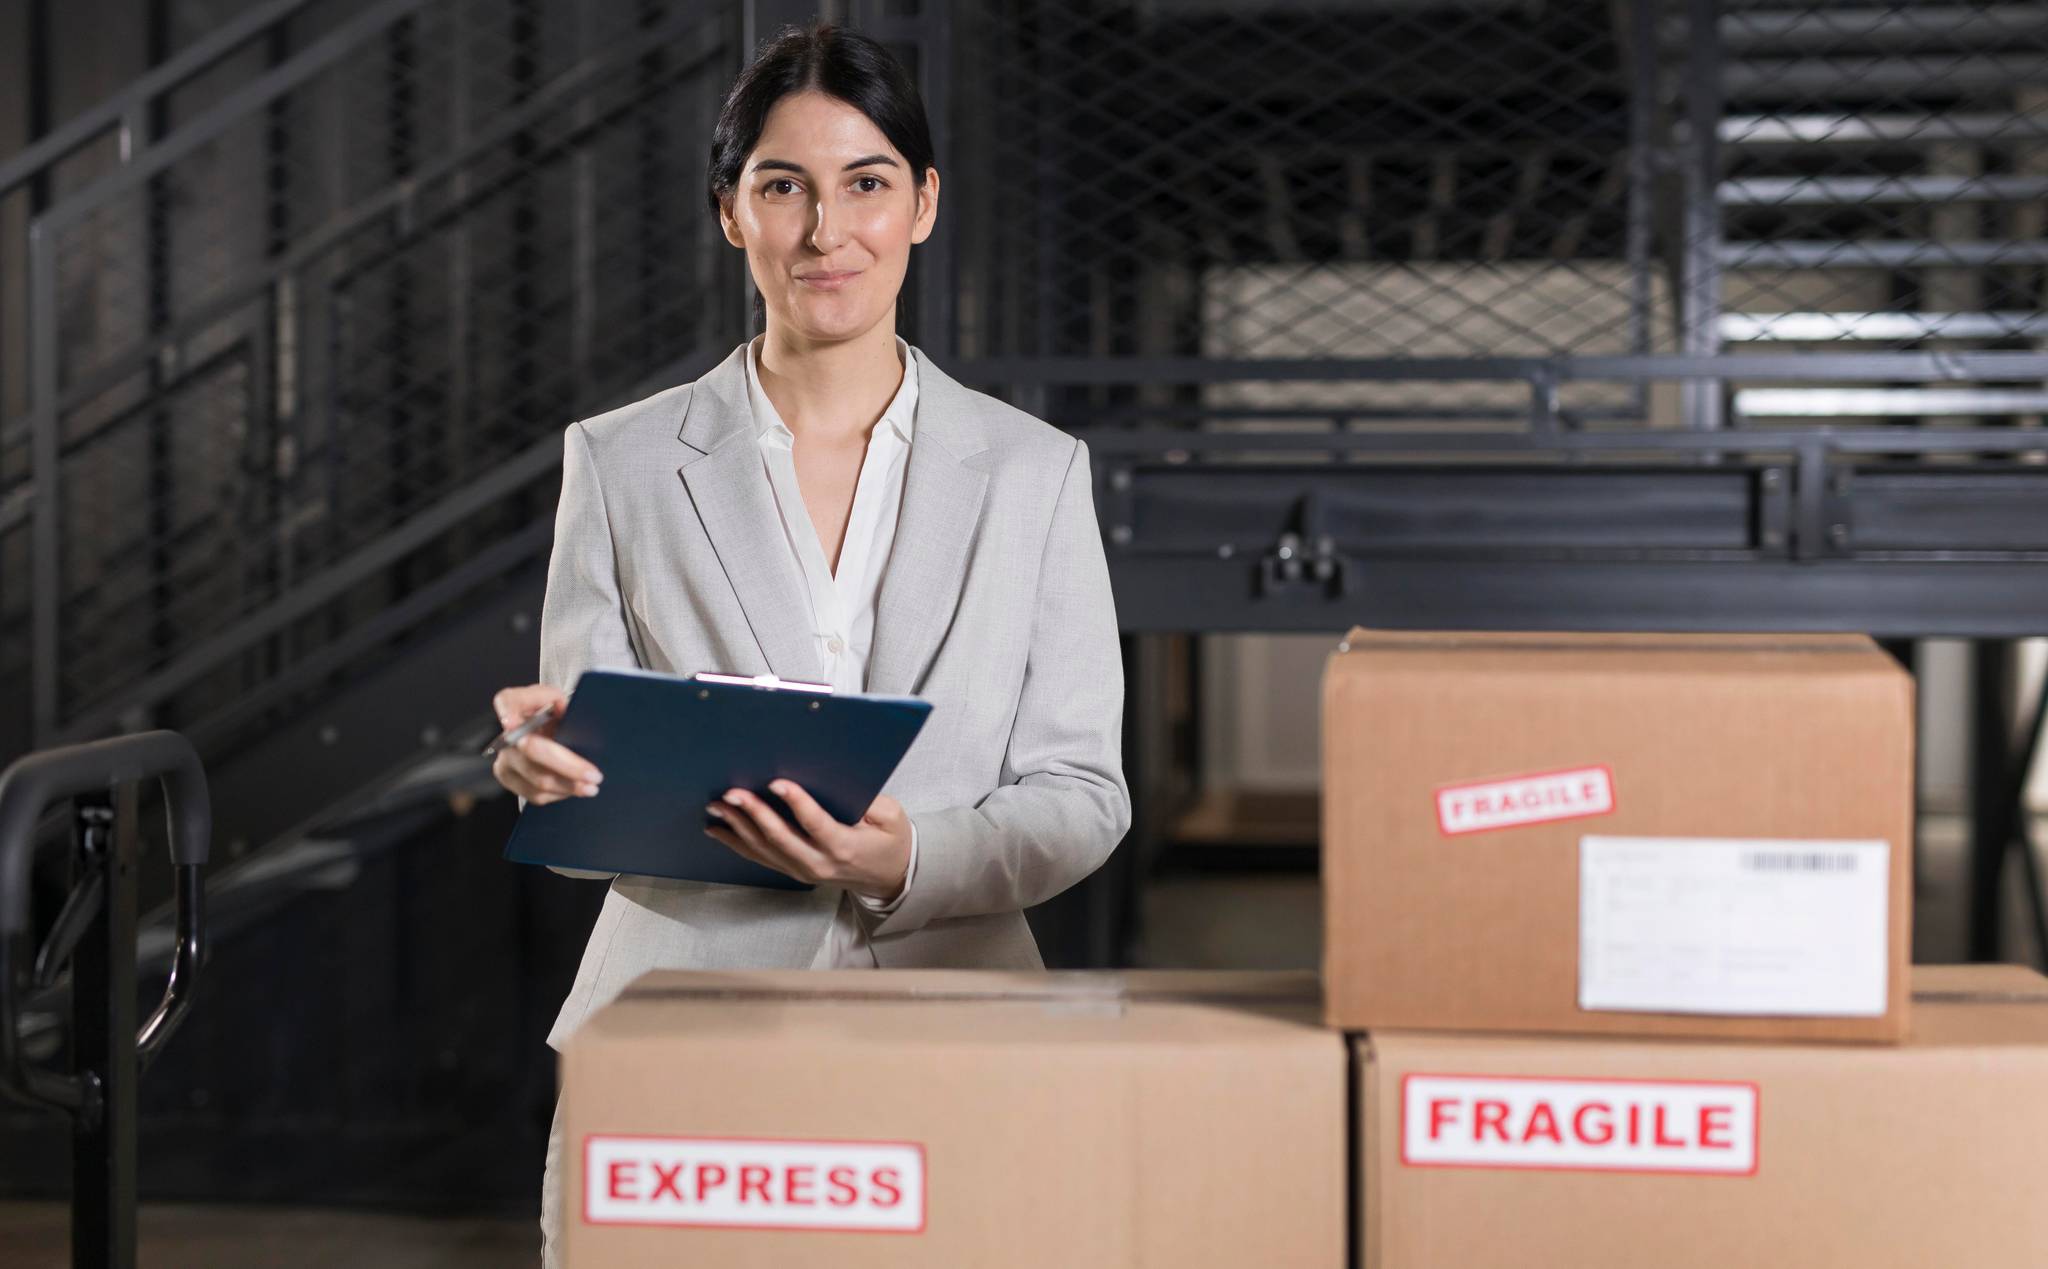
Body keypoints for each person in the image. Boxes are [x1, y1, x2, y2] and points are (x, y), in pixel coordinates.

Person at [484, 21, 1130, 1263]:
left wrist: (907, 859)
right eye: (781, 186)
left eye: (866, 183)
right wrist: (541, 774)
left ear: (924, 204)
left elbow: (1081, 794)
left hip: (957, 1022)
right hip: (678, 1022)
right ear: (731, 212)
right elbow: (583, 787)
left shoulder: (1036, 475)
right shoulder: (617, 464)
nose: (826, 231)